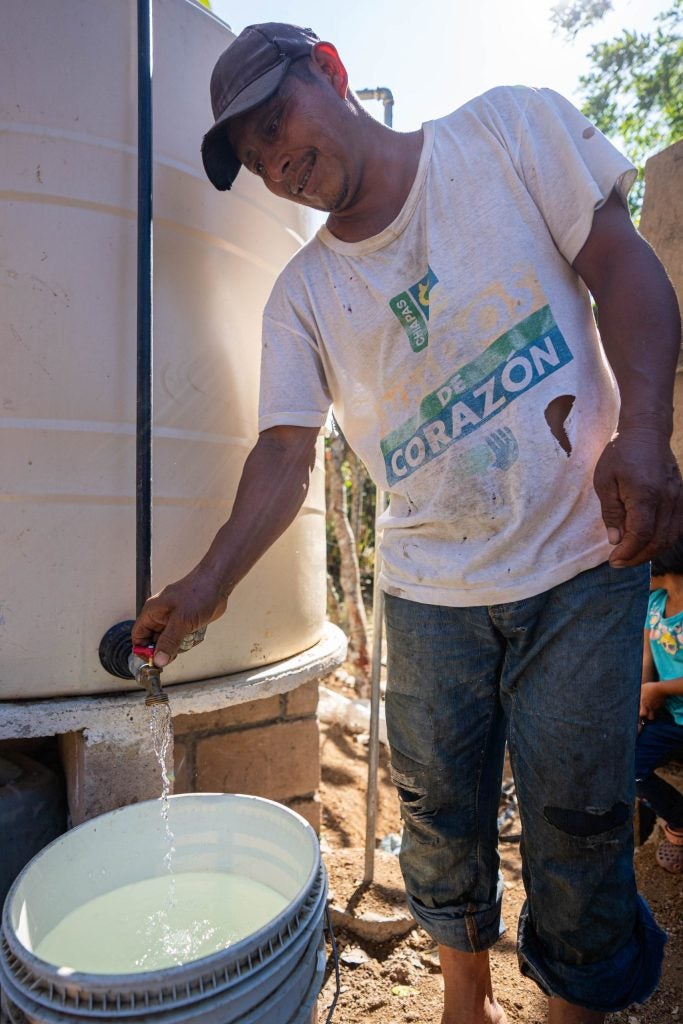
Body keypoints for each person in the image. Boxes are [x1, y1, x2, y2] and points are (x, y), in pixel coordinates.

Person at [133, 22, 683, 1024]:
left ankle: (570, 1006)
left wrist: (644, 426)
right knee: (439, 824)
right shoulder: (301, 295)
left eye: (275, 120)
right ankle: (463, 998)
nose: (272, 158)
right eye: (250, 154)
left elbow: (623, 266)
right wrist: (205, 586)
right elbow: (284, 452)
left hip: (578, 556)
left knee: (578, 817)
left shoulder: (508, 133)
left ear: (331, 72)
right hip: (430, 597)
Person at [637, 537, 683, 874]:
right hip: (670, 716)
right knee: (628, 767)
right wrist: (644, 695)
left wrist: (659, 690)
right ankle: (678, 816)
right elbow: (647, 656)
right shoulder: (655, 602)